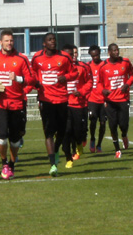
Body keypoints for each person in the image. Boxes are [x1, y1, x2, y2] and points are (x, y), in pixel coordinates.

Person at [0, 29, 36, 180]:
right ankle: (4, 163)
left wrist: (19, 79)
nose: (9, 43)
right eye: (6, 40)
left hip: (17, 103)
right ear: (0, 42)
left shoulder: (21, 59)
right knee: (2, 136)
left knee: (15, 140)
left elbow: (32, 79)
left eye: (11, 40)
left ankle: (12, 164)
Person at [31, 34, 77, 176]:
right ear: (44, 43)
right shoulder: (37, 58)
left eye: (54, 40)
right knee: (49, 132)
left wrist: (66, 77)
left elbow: (74, 73)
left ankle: (56, 150)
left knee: (62, 131)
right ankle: (52, 165)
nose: (53, 42)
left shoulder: (64, 57)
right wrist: (36, 83)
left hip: (62, 99)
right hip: (46, 100)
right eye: (49, 40)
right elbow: (32, 73)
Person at [97, 43, 133, 159]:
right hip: (110, 101)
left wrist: (127, 84)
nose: (116, 52)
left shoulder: (125, 62)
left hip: (123, 99)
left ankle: (124, 135)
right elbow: (98, 82)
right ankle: (117, 149)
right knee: (112, 125)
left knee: (123, 124)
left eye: (117, 50)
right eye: (114, 51)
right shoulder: (103, 66)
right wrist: (102, 90)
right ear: (109, 52)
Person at [63, 44, 92, 167]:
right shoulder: (58, 68)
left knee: (78, 131)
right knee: (66, 131)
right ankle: (69, 157)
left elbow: (90, 82)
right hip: (63, 104)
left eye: (75, 53)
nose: (73, 56)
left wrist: (81, 92)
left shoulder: (83, 67)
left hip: (78, 104)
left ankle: (79, 143)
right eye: (70, 54)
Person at [87, 45, 106, 153]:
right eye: (93, 56)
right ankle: (93, 138)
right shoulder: (88, 66)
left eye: (97, 55)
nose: (95, 57)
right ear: (90, 55)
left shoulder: (105, 65)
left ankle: (99, 144)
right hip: (92, 99)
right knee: (93, 120)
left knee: (103, 123)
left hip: (104, 100)